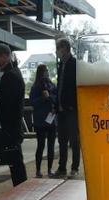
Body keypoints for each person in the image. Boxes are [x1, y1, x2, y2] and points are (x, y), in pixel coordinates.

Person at [0, 44, 27, 186]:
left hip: (10, 124)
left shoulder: (9, 76)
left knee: (15, 162)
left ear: (4, 56)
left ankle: (20, 189)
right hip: (14, 124)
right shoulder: (15, 72)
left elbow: (7, 99)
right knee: (16, 160)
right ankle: (21, 188)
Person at [54, 37, 80, 178]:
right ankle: (62, 167)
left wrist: (72, 104)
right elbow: (60, 87)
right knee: (62, 140)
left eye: (58, 48)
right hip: (61, 109)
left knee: (74, 139)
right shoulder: (60, 65)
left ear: (65, 48)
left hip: (71, 109)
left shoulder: (75, 64)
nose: (57, 51)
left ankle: (74, 167)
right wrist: (56, 105)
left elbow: (74, 87)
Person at [29, 64, 58, 178]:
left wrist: (49, 97)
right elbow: (32, 102)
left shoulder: (52, 85)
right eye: (44, 71)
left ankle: (50, 169)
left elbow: (56, 99)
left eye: (47, 70)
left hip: (51, 119)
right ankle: (38, 170)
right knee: (40, 145)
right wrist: (43, 98)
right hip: (40, 121)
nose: (46, 73)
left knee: (51, 146)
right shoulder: (35, 87)